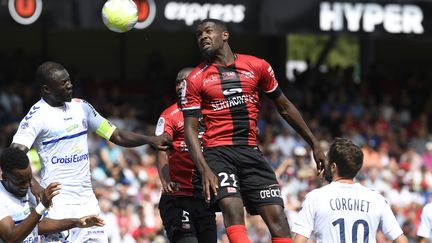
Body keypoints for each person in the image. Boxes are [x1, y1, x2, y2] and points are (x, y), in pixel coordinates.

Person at [182, 18, 326, 243]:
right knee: (232, 208)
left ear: (225, 35)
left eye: (208, 31)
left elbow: (285, 108)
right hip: (217, 153)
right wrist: (204, 169)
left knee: (278, 218)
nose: (203, 37)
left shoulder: (257, 66)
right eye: (199, 34)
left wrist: (314, 143)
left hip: (250, 151)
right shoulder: (196, 78)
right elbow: (190, 130)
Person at [10, 61, 171, 242]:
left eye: (69, 80)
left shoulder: (82, 107)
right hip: (58, 205)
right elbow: (14, 154)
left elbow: (115, 135)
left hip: (87, 202)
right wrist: (34, 183)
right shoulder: (37, 116)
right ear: (47, 89)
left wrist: (149, 140)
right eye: (63, 83)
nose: (70, 85)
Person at [292, 138, 408, 243]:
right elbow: (401, 240)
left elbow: (299, 241)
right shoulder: (376, 199)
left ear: (333, 167)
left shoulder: (315, 197)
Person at [155, 67, 217, 243]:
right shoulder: (169, 115)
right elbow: (161, 150)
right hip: (177, 198)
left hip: (204, 198)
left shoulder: (209, 114)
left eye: (185, 81)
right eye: (177, 82)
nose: (180, 86)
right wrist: (167, 182)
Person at [0, 147, 105, 243]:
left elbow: (39, 225)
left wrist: (76, 223)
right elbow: (11, 238)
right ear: (4, 177)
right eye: (21, 182)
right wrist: (42, 206)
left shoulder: (29, 190)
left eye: (29, 179)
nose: (27, 185)